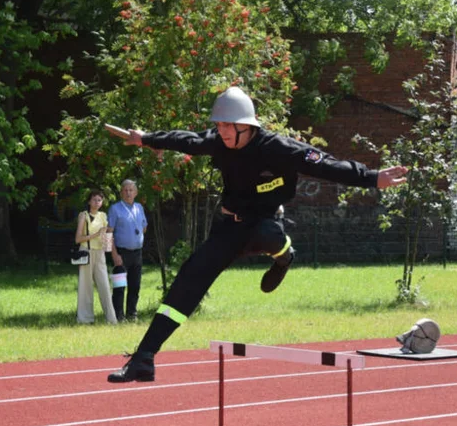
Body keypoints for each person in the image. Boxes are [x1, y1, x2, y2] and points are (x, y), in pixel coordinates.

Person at [104, 86, 408, 383]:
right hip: (229, 228)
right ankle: (144, 359)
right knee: (187, 281)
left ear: (245, 126)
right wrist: (145, 138)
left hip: (264, 223)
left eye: (227, 126)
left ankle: (284, 255)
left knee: (267, 233)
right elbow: (188, 140)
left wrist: (372, 178)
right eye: (219, 125)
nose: (221, 131)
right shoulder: (220, 142)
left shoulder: (278, 148)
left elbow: (326, 165)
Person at [106, 179, 148, 322]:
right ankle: (118, 316)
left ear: (135, 193)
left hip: (137, 253)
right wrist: (114, 254)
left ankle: (132, 314)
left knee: (135, 286)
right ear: (121, 192)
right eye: (126, 190)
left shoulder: (139, 207)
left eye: (131, 190)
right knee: (119, 287)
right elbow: (108, 233)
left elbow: (144, 227)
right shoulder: (115, 208)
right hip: (121, 253)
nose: (128, 193)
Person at [75, 190, 118, 325]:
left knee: (105, 286)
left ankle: (111, 319)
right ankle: (85, 319)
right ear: (89, 201)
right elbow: (78, 239)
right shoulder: (83, 215)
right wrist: (96, 235)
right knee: (85, 286)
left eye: (99, 200)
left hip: (100, 253)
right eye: (94, 199)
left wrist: (108, 244)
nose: (97, 202)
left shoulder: (103, 216)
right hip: (86, 252)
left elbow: (106, 236)